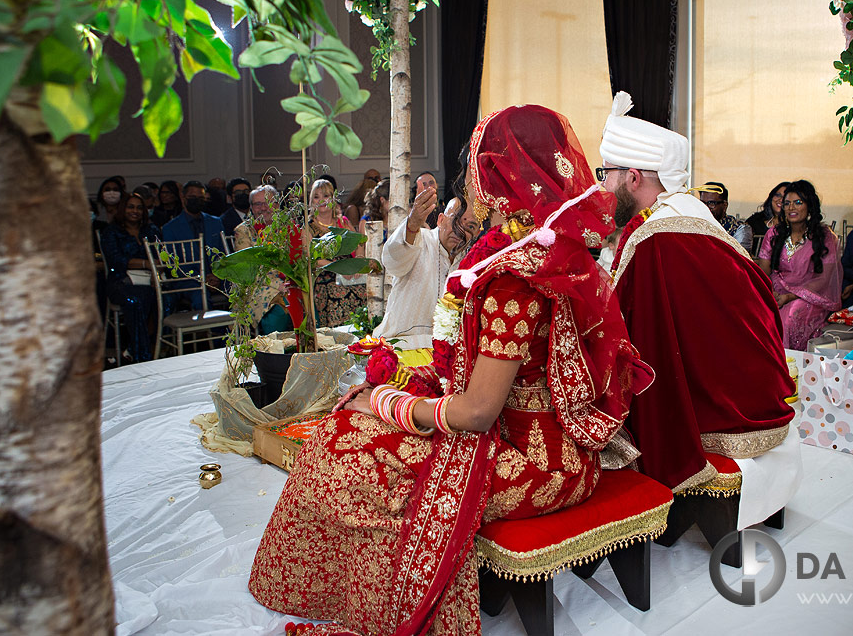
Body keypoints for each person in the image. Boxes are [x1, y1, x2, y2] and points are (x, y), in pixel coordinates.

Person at [249, 104, 653, 634]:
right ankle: (346, 585)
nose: (471, 175)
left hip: (538, 460)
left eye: (481, 158)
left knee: (347, 448)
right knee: (348, 430)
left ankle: (374, 597)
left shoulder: (520, 274)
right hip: (528, 435)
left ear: (508, 170)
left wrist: (385, 402)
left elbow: (478, 412)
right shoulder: (532, 245)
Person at [598, 91, 799, 525]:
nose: (602, 187)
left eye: (606, 175)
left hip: (727, 409)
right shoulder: (692, 214)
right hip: (758, 388)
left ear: (633, 177)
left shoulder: (656, 238)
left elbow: (627, 333)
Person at [373, 192, 478, 348]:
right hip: (402, 344)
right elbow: (392, 261)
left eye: (470, 226)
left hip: (446, 351)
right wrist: (413, 224)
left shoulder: (471, 262)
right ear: (441, 220)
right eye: (455, 220)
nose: (460, 230)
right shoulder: (419, 239)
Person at [757, 180, 842, 349]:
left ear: (809, 205)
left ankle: (787, 366)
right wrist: (769, 293)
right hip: (776, 292)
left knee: (790, 315)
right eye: (787, 203)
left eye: (798, 203)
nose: (791, 208)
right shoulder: (774, 233)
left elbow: (824, 279)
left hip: (809, 296)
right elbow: (764, 270)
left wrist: (789, 296)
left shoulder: (825, 237)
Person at [100, 193, 161, 363]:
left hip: (151, 280)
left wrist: (155, 271)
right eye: (130, 207)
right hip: (121, 281)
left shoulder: (151, 230)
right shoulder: (112, 232)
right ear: (123, 209)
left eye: (139, 207)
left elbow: (161, 256)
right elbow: (116, 260)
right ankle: (142, 354)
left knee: (167, 297)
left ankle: (154, 347)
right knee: (138, 300)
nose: (135, 211)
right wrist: (144, 264)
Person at [235, 185, 301, 335]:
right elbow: (249, 269)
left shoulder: (287, 227)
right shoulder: (243, 231)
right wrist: (278, 285)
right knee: (279, 314)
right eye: (258, 204)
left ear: (277, 205)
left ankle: (305, 352)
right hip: (259, 285)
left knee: (310, 307)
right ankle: (275, 354)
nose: (264, 208)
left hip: (289, 283)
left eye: (268, 202)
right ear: (251, 208)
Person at [161, 180, 227, 310]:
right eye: (192, 197)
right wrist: (201, 279)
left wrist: (217, 275)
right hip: (188, 281)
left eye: (201, 198)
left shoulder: (215, 222)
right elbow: (173, 264)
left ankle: (239, 329)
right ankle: (210, 330)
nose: (197, 200)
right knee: (200, 296)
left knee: (243, 289)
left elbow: (223, 254)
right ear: (183, 198)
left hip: (217, 277)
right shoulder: (170, 228)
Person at [308, 178, 365, 327]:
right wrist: (340, 268)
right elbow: (312, 258)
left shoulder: (343, 222)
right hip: (324, 274)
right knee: (336, 292)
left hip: (348, 272)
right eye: (316, 196)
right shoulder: (308, 227)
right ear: (312, 201)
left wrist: (358, 261)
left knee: (365, 290)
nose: (321, 200)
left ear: (332, 198)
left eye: (326, 196)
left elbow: (359, 242)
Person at [697, 181, 753, 253]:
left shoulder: (739, 228)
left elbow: (740, 259)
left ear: (725, 205)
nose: (706, 207)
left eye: (711, 203)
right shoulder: (694, 225)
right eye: (702, 203)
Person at [746, 181, 791, 246]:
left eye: (786, 197)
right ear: (771, 197)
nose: (781, 200)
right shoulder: (755, 221)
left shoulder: (797, 226)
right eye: (778, 195)